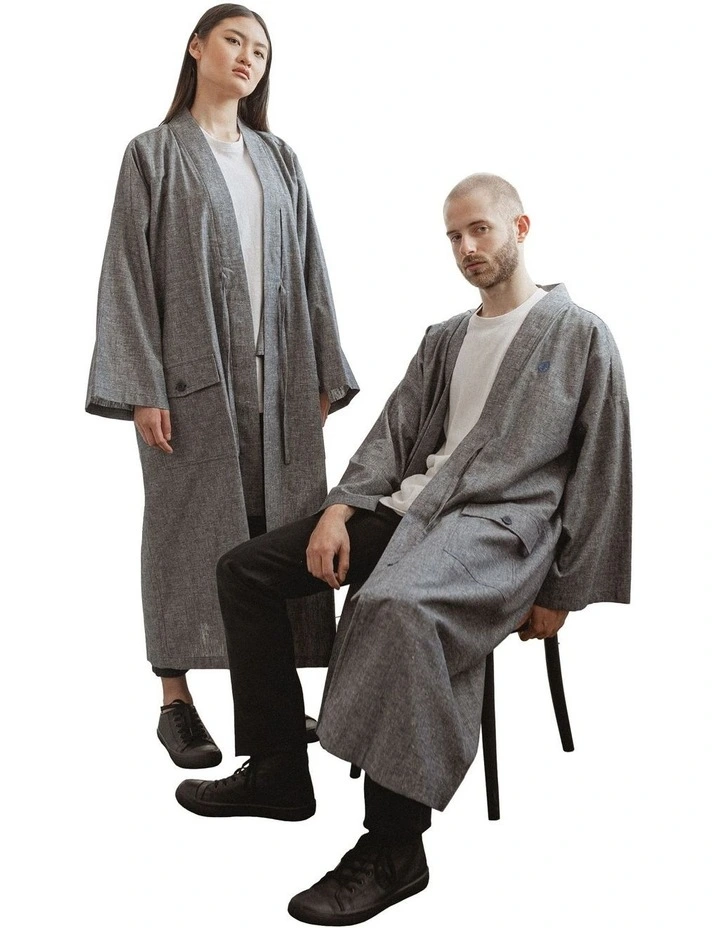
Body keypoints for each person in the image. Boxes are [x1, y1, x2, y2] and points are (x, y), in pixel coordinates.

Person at [174, 173, 632, 925]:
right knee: (245, 570)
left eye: (480, 229)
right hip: (409, 511)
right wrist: (339, 510)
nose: (467, 247)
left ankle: (395, 848)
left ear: (521, 227)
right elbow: (392, 434)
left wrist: (562, 590)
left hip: (497, 530)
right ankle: (280, 767)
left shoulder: (579, 333)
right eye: (454, 236)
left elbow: (604, 467)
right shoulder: (445, 337)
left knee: (394, 608)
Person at [85, 4, 358, 769]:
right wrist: (141, 386)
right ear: (197, 46)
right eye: (234, 40)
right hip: (188, 383)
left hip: (280, 378)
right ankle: (175, 701)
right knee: (185, 532)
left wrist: (324, 371)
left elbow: (311, 266)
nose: (247, 57)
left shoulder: (278, 157)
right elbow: (127, 272)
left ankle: (269, 700)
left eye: (260, 50)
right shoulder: (153, 154)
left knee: (278, 531)